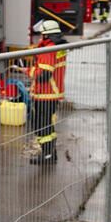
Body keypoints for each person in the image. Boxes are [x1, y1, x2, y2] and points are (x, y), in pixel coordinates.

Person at [26, 20, 68, 165]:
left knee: (40, 124)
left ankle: (48, 155)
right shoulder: (59, 47)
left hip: (45, 93)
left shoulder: (48, 49)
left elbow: (44, 75)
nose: (39, 38)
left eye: (41, 35)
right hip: (52, 93)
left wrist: (28, 71)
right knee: (46, 124)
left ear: (46, 36)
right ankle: (50, 154)